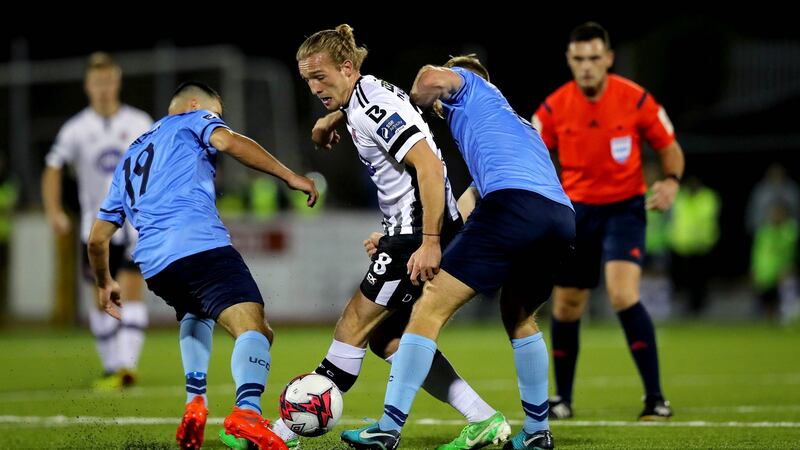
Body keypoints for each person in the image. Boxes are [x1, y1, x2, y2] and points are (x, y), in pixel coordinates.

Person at [227, 25, 510, 450]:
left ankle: (284, 433)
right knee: (387, 338)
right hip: (411, 230)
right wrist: (332, 118)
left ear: (346, 67)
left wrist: (428, 239)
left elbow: (430, 167)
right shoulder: (367, 93)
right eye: (307, 80)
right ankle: (484, 418)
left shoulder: (372, 104)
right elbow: (376, 112)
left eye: (320, 77)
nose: (314, 87)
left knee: (353, 326)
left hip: (417, 234)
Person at [341, 55, 574, 450]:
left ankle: (388, 427)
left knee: (428, 306)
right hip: (559, 217)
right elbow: (467, 210)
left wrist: (417, 98)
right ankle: (537, 433)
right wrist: (404, 242)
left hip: (513, 205)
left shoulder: (471, 85)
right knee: (519, 317)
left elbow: (431, 79)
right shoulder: (513, 127)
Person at [87, 81, 318, 450]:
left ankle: (196, 402)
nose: (217, 124)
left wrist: (103, 282)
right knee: (255, 328)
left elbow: (97, 238)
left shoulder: (131, 155)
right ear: (196, 105)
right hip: (198, 244)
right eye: (217, 115)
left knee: (197, 311)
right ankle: (247, 413)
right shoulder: (194, 118)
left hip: (156, 264)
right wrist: (289, 176)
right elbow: (228, 142)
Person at [532, 22, 685, 420]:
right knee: (566, 305)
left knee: (622, 294)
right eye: (579, 59)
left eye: (594, 58)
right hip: (576, 212)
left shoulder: (635, 100)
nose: (586, 66)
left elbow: (669, 148)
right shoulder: (552, 109)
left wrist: (670, 182)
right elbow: (527, 154)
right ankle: (562, 400)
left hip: (625, 210)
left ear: (609, 59)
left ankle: (655, 399)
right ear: (569, 60)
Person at [41, 52, 153, 390]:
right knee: (101, 296)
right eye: (97, 82)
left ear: (117, 82)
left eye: (108, 81)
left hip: (136, 224)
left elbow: (159, 164)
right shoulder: (76, 129)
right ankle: (112, 369)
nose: (104, 88)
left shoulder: (139, 122)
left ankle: (125, 368)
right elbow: (53, 168)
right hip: (96, 227)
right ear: (88, 86)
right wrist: (54, 211)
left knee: (133, 292)